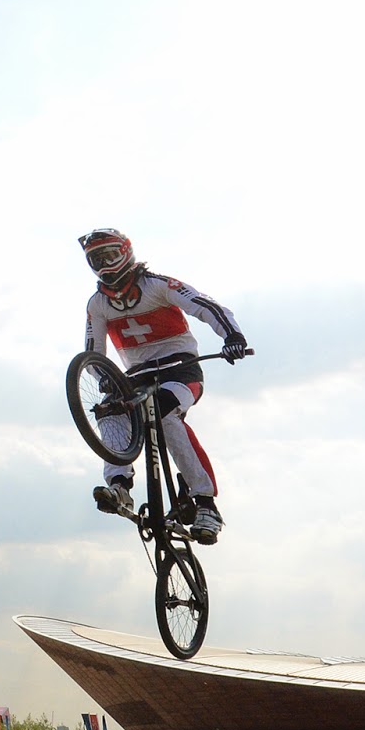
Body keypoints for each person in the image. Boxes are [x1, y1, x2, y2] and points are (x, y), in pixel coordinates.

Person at [79, 227, 248, 544]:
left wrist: (232, 337)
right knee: (108, 411)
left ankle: (206, 504)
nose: (105, 264)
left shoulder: (157, 284)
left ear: (126, 252)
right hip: (136, 377)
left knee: (164, 413)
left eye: (110, 255)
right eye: (96, 259)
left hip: (181, 370)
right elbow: (92, 354)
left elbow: (205, 306)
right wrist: (102, 378)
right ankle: (119, 487)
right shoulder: (97, 305)